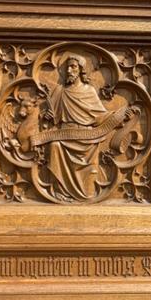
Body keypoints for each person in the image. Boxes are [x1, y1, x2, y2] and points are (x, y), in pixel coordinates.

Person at [44, 54, 111, 202]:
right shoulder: (60, 91)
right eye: (67, 67)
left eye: (73, 66)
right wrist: (49, 116)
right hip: (65, 135)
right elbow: (54, 118)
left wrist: (117, 117)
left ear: (81, 70)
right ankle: (61, 192)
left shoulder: (89, 91)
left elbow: (100, 116)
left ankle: (86, 192)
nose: (69, 70)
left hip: (85, 138)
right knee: (54, 145)